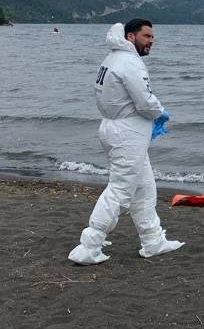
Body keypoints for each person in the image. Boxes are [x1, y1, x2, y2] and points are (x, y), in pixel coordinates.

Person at [68, 19, 184, 265]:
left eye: (152, 36)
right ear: (131, 37)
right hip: (127, 133)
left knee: (144, 187)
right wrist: (160, 113)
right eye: (147, 36)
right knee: (120, 189)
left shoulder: (111, 59)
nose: (151, 40)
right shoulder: (130, 62)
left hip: (115, 128)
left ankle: (153, 240)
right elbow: (144, 100)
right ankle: (89, 245)